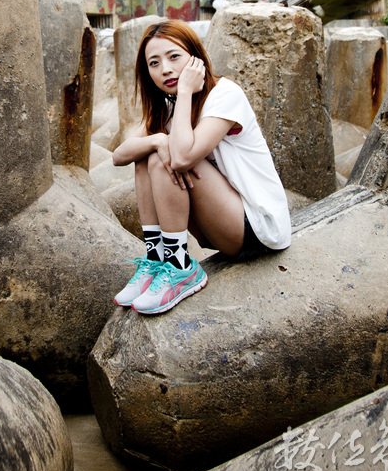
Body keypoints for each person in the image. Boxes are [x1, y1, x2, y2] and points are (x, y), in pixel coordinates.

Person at [112, 19, 291, 315]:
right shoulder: (168, 107)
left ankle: (180, 266)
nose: (165, 69)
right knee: (148, 153)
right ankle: (157, 259)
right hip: (220, 222)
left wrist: (184, 93)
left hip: (257, 228)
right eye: (154, 63)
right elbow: (119, 156)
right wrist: (157, 138)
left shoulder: (225, 94)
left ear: (195, 57)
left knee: (164, 157)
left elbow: (183, 158)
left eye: (174, 57)